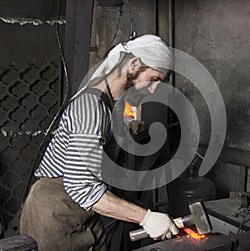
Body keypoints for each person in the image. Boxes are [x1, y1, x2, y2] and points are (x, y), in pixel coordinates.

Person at [20, 34, 179, 251]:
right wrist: (146, 217)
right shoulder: (90, 107)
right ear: (133, 65)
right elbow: (82, 187)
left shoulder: (115, 104)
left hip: (87, 213)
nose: (153, 90)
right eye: (154, 79)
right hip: (56, 213)